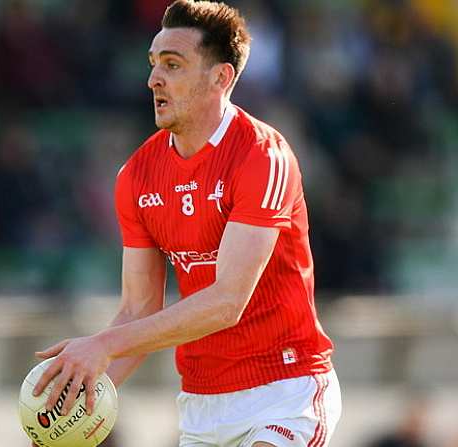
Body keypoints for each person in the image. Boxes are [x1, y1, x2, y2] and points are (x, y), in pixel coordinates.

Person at [32, 1, 341, 446]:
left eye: (173, 65)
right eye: (153, 63)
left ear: (221, 78)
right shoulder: (137, 176)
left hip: (285, 394)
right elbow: (139, 309)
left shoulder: (262, 156)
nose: (154, 79)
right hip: (200, 407)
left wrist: (102, 345)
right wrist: (81, 394)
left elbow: (226, 301)